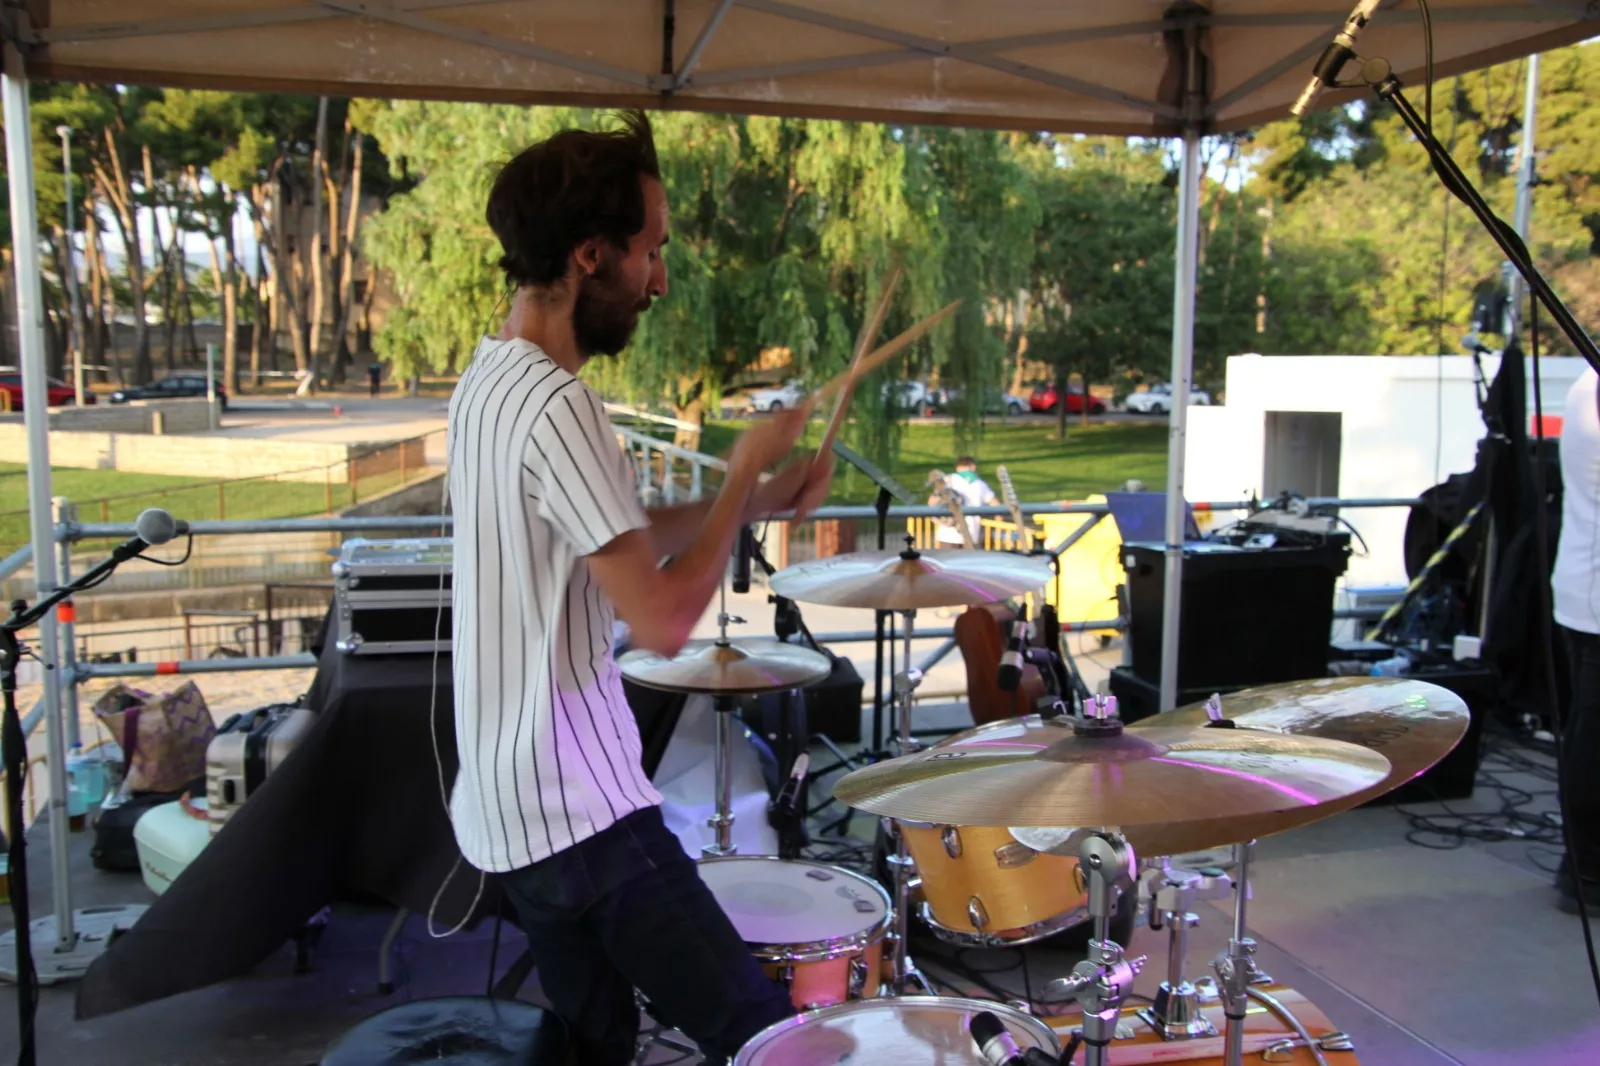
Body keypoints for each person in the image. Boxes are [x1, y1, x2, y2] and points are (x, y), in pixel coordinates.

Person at [447, 111, 832, 1064]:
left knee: (599, 1047)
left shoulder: (488, 382)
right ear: (589, 255)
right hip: (582, 815)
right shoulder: (560, 405)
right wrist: (742, 472)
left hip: (509, 813)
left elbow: (605, 532)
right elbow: (661, 622)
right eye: (649, 252)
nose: (659, 279)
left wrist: (756, 498)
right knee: (766, 1039)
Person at [1553, 366, 1600, 915]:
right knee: (1594, 738)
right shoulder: (1594, 387)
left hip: (1583, 590)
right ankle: (1586, 872)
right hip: (1593, 599)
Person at [929, 455, 999, 547]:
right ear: (973, 467)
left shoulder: (947, 480)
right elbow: (996, 506)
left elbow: (932, 502)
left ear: (957, 468)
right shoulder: (980, 484)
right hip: (970, 535)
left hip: (946, 534)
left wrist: (936, 519)